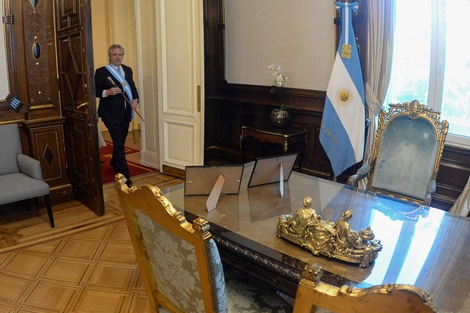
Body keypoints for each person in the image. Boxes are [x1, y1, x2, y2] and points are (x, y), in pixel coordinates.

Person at [95, 44, 139, 187]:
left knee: (121, 141)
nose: (117, 57)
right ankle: (125, 175)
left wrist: (136, 100)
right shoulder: (101, 72)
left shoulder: (127, 70)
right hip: (110, 114)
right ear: (109, 56)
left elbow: (132, 86)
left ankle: (115, 161)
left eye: (120, 54)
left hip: (126, 112)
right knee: (119, 142)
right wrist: (107, 92)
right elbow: (95, 91)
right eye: (114, 54)